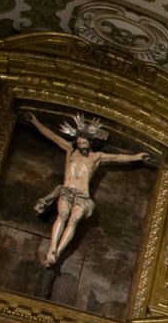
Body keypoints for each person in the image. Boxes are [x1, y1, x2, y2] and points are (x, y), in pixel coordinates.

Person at [25, 112, 156, 267]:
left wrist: (136, 157)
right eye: (79, 144)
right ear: (76, 142)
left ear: (90, 142)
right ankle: (52, 249)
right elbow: (52, 136)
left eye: (84, 144)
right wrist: (35, 122)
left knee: (74, 220)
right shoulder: (70, 150)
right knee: (63, 214)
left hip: (83, 196)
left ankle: (57, 253)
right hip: (67, 191)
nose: (82, 147)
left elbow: (118, 157)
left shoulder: (96, 157)